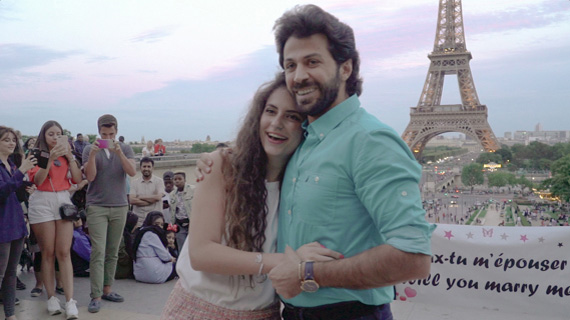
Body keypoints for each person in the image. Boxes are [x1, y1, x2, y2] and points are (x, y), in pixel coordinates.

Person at [198, 6, 435, 319]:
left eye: (312, 62)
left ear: (346, 68)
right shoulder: (303, 139)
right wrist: (218, 157)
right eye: (290, 65)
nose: (298, 76)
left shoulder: (370, 141)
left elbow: (413, 257)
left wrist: (309, 274)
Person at [161, 73, 341, 320]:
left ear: (307, 126)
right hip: (200, 311)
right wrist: (287, 262)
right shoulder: (221, 166)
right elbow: (201, 254)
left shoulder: (304, 182)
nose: (277, 123)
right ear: (258, 116)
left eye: (292, 116)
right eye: (271, 111)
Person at [27, 121, 82, 319]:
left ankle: (70, 300)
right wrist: (49, 159)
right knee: (47, 252)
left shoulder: (68, 155)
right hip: (42, 200)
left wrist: (70, 157)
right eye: (51, 134)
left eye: (59, 134)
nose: (55, 137)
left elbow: (76, 179)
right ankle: (51, 297)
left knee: (64, 252)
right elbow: (38, 180)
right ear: (44, 135)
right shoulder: (36, 154)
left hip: (62, 199)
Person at [82, 114, 136, 313]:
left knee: (113, 251)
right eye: (104, 134)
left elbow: (132, 172)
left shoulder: (126, 148)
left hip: (120, 205)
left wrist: (119, 152)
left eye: (111, 134)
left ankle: (107, 289)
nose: (108, 137)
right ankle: (95, 295)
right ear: (99, 133)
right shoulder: (89, 149)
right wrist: (93, 155)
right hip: (97, 206)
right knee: (98, 251)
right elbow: (90, 177)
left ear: (117, 132)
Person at [0, 126, 36, 320]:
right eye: (6, 140)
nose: (12, 143)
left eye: (13, 140)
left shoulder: (11, 165)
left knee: (11, 274)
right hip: (2, 226)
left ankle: (10, 315)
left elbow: (14, 193)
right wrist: (21, 171)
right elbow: (2, 191)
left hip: (16, 223)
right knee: (1, 271)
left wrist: (25, 188)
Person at [132, 211, 176, 284]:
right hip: (154, 274)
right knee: (176, 265)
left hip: (139, 273)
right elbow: (164, 256)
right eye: (156, 224)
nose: (159, 227)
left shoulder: (141, 231)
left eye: (161, 225)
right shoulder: (151, 234)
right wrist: (172, 259)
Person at [129, 157, 165, 227]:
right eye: (144, 166)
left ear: (153, 168)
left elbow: (158, 197)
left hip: (155, 223)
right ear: (140, 168)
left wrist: (140, 197)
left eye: (149, 166)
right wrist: (151, 200)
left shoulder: (159, 181)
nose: (146, 169)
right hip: (138, 223)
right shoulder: (134, 183)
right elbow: (132, 200)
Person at [168, 171, 194, 248]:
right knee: (182, 247)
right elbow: (172, 211)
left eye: (180, 179)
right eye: (175, 179)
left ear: (185, 180)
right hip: (179, 224)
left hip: (191, 223)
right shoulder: (172, 194)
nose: (177, 181)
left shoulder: (193, 190)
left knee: (193, 246)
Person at [115, 211, 138, 280]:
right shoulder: (121, 236)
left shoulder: (127, 235)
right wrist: (131, 259)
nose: (136, 226)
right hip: (119, 270)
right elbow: (120, 253)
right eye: (136, 224)